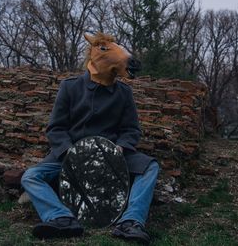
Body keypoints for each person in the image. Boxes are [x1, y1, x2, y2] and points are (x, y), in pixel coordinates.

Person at [21, 32, 159, 245]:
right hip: (71, 155)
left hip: (112, 154)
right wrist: (69, 152)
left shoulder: (124, 92)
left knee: (150, 167)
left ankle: (131, 222)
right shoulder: (70, 87)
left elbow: (131, 129)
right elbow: (56, 128)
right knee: (31, 176)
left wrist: (121, 148)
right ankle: (61, 218)